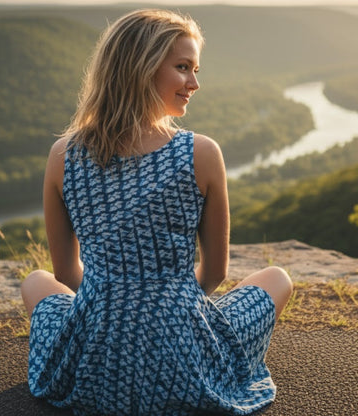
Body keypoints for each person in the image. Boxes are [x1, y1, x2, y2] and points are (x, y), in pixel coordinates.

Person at [21, 8, 293, 416]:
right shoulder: (200, 153)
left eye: (195, 69)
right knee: (277, 278)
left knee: (36, 282)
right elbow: (215, 273)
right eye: (183, 67)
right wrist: (164, 307)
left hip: (95, 351)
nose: (194, 83)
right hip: (181, 344)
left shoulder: (63, 154)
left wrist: (121, 308)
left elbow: (65, 275)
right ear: (141, 67)